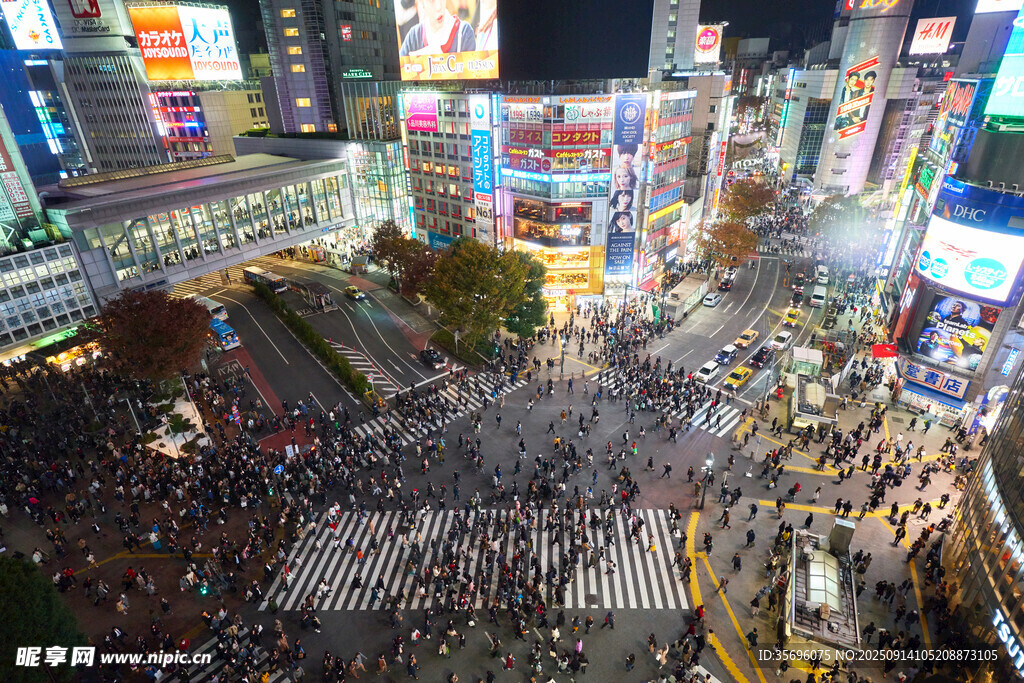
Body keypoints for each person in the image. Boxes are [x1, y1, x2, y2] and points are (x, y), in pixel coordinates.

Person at [399, 0, 477, 57]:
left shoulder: (463, 32)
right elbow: (398, 73)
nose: (438, 7)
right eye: (431, 1)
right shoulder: (414, 36)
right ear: (421, 2)